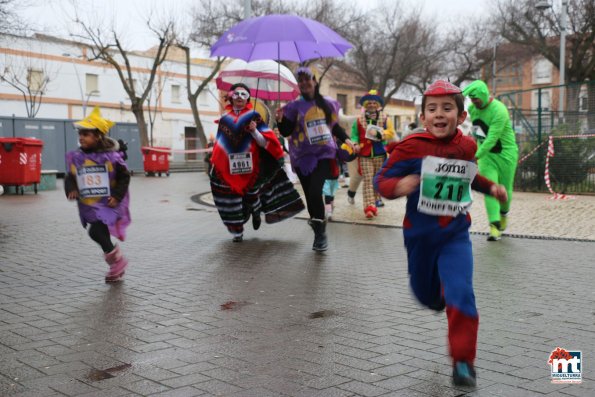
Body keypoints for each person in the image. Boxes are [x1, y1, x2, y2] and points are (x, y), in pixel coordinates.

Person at [374, 80, 508, 387]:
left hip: (455, 234)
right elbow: (382, 180)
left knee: (460, 291)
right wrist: (398, 186)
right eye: (432, 109)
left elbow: (470, 176)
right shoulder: (411, 146)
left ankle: (463, 361)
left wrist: (491, 188)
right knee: (426, 294)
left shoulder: (466, 146)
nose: (439, 114)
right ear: (422, 117)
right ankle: (435, 298)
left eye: (447, 108)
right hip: (420, 236)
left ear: (461, 116)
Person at [209, 83, 304, 242]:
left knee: (252, 194)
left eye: (244, 94)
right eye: (237, 94)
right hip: (230, 167)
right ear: (231, 97)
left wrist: (254, 130)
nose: (240, 97)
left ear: (248, 99)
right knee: (231, 198)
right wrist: (215, 164)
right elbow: (220, 146)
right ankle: (237, 232)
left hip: (252, 166)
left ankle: (256, 210)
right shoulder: (225, 119)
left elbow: (264, 142)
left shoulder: (254, 116)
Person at [276, 66, 357, 251]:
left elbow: (334, 126)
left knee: (315, 191)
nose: (304, 83)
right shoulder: (293, 106)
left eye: (308, 79)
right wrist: (280, 120)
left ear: (315, 81)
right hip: (302, 156)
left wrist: (347, 140)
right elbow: (286, 131)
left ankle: (321, 235)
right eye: (301, 80)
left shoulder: (327, 104)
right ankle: (318, 228)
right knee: (310, 196)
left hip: (323, 154)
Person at [65, 106, 131, 282]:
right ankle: (116, 266)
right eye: (80, 134)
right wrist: (71, 188)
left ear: (98, 136)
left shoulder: (111, 157)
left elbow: (124, 177)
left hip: (109, 203)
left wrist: (117, 196)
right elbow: (71, 176)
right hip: (90, 204)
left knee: (96, 232)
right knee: (97, 232)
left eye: (86, 134)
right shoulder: (78, 157)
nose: (81, 137)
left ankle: (117, 262)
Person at [462, 80, 519, 241]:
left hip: (506, 155)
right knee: (491, 188)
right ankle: (494, 226)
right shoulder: (472, 109)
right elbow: (476, 132)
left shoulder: (499, 110)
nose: (474, 102)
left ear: (484, 95)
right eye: (472, 100)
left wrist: (474, 156)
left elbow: (492, 138)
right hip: (486, 157)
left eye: (476, 99)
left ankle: (504, 214)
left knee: (505, 189)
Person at [351, 90, 396, 218]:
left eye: (374, 102)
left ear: (377, 105)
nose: (371, 105)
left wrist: (381, 134)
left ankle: (375, 201)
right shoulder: (358, 120)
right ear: (365, 105)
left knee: (376, 180)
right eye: (369, 103)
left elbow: (391, 132)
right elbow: (354, 135)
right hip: (365, 154)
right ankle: (369, 207)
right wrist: (355, 144)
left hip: (380, 153)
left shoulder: (385, 118)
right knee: (368, 181)